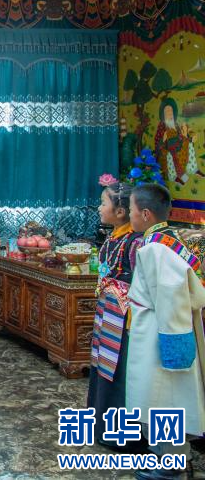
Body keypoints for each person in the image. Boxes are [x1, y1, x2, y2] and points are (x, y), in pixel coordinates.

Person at [126, 183, 205, 480]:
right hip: (159, 326)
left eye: (131, 210)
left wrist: (174, 346)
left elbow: (171, 296)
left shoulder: (155, 249)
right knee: (164, 397)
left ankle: (171, 466)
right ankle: (172, 459)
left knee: (163, 397)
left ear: (145, 214)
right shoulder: (168, 240)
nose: (130, 216)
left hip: (161, 334)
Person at [86, 180, 143, 450]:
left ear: (120, 212)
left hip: (123, 319)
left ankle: (122, 435)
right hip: (107, 313)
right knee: (102, 366)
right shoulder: (114, 237)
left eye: (103, 203)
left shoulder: (135, 242)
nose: (99, 208)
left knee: (119, 372)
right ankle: (101, 427)